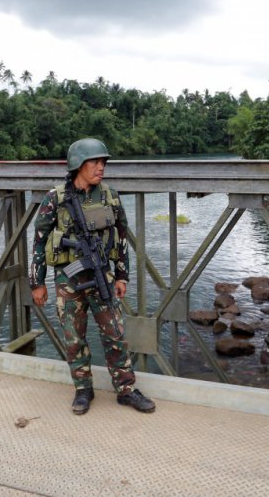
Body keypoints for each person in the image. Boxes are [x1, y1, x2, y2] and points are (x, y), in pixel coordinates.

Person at [30, 138, 155, 415]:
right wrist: (36, 282)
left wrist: (122, 276)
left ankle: (126, 389)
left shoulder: (109, 195)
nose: (101, 168)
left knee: (115, 334)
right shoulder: (56, 198)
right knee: (74, 338)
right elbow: (39, 241)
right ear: (78, 165)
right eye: (95, 162)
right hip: (68, 279)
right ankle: (83, 390)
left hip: (102, 275)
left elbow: (122, 238)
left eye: (103, 162)